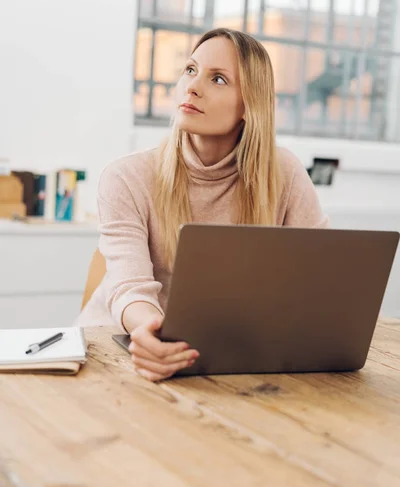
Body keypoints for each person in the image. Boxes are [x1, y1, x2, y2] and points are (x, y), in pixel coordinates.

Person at [76, 28, 329, 382]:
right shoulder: (126, 177)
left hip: (220, 358)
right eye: (191, 70)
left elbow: (321, 278)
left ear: (250, 105)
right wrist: (149, 330)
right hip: (111, 354)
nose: (192, 87)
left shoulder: (284, 173)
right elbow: (129, 288)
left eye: (219, 79)